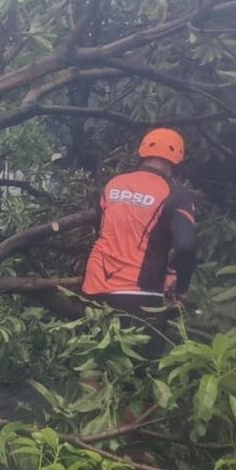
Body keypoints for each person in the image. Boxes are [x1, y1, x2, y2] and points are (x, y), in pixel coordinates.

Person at [81, 128, 198, 354]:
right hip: (139, 295)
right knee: (138, 373)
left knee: (94, 364)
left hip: (95, 287)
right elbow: (186, 245)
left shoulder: (113, 185)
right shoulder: (176, 195)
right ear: (178, 160)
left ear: (142, 152)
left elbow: (100, 229)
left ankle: (88, 390)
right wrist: (180, 286)